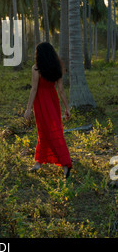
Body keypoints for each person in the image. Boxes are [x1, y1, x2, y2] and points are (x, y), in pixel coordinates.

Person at [24, 42, 72, 178]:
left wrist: (28, 109)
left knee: (49, 132)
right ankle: (38, 162)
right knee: (50, 131)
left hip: (41, 102)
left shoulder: (36, 69)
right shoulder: (57, 67)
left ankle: (65, 164)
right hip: (53, 101)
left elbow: (34, 89)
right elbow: (61, 91)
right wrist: (67, 108)